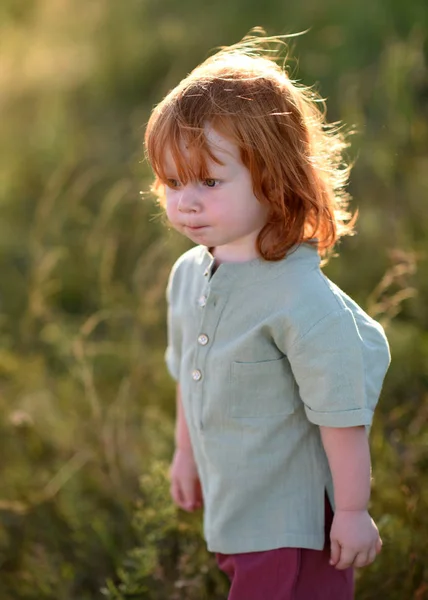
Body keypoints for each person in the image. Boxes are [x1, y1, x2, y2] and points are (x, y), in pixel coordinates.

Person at [144, 31, 391, 600]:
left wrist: (352, 511)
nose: (187, 200)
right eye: (174, 181)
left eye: (210, 180)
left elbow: (341, 416)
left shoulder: (300, 300)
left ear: (272, 178)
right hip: (238, 507)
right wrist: (185, 454)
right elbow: (188, 372)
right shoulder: (189, 274)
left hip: (298, 529)